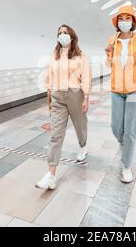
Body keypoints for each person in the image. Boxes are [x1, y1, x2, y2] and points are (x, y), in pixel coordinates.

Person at [36, 24, 91, 190]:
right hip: (57, 96)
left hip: (75, 94)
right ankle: (51, 175)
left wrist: (86, 98)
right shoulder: (55, 56)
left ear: (72, 36)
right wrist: (49, 94)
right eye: (60, 33)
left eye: (65, 33)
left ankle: (83, 145)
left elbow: (86, 77)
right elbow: (50, 76)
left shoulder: (80, 57)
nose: (62, 35)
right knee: (55, 135)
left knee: (80, 126)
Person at [105, 6, 136, 183]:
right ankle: (126, 146)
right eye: (121, 18)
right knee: (116, 127)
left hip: (135, 89)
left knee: (131, 129)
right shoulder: (112, 40)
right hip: (116, 89)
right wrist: (108, 55)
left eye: (127, 18)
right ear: (117, 22)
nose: (124, 21)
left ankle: (127, 165)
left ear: (133, 21)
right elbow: (109, 65)